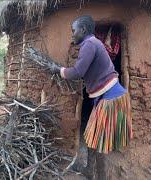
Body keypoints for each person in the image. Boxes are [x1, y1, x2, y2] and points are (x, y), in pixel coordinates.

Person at [50, 15, 133, 155]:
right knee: (94, 135)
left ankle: (100, 174)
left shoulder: (89, 44)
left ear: (82, 30)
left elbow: (78, 72)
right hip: (112, 96)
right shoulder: (94, 43)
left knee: (100, 141)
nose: (72, 35)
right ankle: (90, 169)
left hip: (110, 99)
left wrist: (59, 70)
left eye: (73, 30)